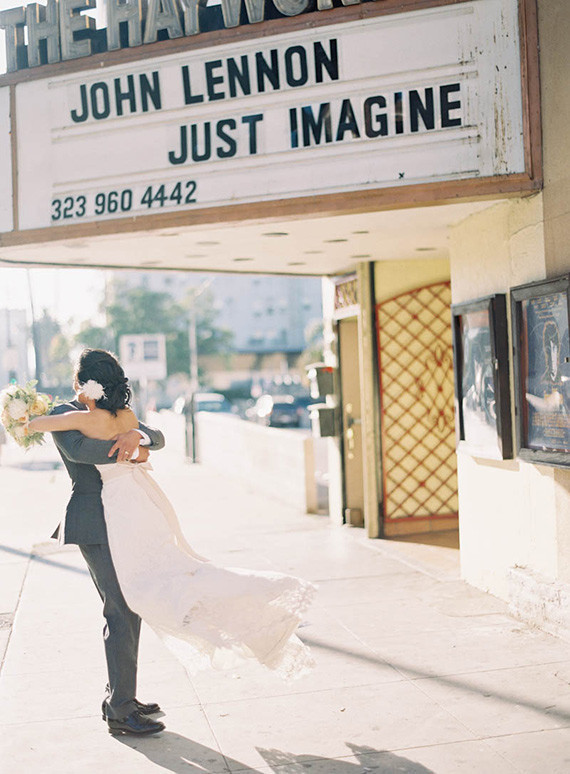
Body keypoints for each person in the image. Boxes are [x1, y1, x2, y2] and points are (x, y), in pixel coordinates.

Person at [30, 349, 316, 737]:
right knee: (120, 609)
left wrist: (138, 435)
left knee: (132, 605)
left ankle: (120, 696)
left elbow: (158, 436)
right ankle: (120, 708)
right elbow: (83, 452)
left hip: (127, 518)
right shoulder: (65, 415)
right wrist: (132, 446)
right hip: (93, 522)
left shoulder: (115, 415)